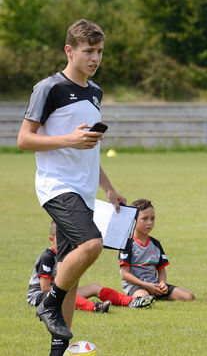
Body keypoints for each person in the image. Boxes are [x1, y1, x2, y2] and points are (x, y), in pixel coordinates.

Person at [17, 18, 126, 355]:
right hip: (56, 186)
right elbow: (24, 140)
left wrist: (108, 188)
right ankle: (49, 304)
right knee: (92, 244)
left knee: (71, 269)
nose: (95, 58)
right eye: (88, 51)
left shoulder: (95, 92)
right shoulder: (48, 88)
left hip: (85, 189)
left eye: (100, 52)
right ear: (69, 51)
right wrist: (70, 139)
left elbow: (87, 147)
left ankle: (58, 349)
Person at [27, 222, 155, 314]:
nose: (66, 242)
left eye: (69, 238)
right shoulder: (47, 256)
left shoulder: (70, 254)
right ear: (51, 239)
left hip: (63, 291)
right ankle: (94, 308)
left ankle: (131, 301)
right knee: (65, 295)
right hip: (41, 296)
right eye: (62, 239)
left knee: (94, 287)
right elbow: (45, 288)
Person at [119, 199, 195, 301]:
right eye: (144, 219)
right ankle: (134, 297)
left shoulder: (155, 244)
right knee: (143, 297)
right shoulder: (127, 244)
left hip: (155, 285)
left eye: (152, 218)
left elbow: (161, 269)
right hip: (136, 286)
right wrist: (145, 285)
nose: (149, 223)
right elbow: (125, 274)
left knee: (188, 297)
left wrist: (162, 283)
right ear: (134, 219)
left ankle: (155, 294)